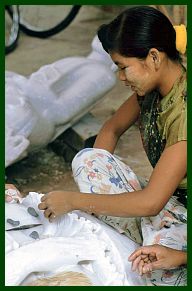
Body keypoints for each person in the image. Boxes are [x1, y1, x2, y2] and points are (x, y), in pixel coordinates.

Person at [38, 6, 187, 286]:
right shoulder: (158, 83)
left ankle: (168, 249)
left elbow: (151, 202)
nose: (120, 77)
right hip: (168, 203)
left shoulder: (184, 114)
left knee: (153, 268)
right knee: (88, 161)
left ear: (153, 57)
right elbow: (112, 128)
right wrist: (94, 194)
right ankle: (144, 231)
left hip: (176, 211)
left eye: (123, 67)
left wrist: (75, 201)